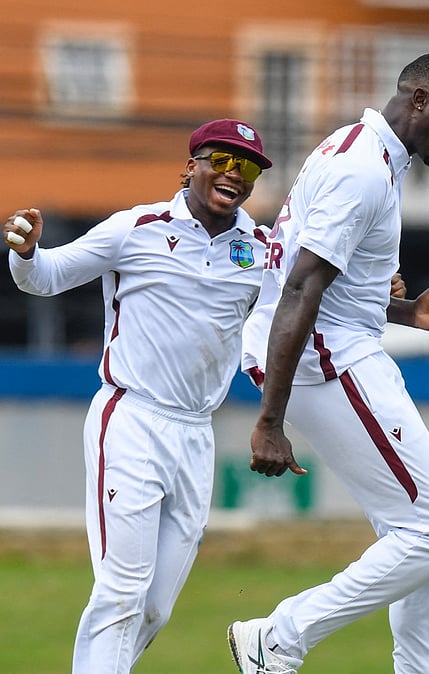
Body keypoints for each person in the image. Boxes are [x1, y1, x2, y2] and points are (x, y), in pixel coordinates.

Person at [227, 53, 429, 674]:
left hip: (336, 348)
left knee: (426, 532)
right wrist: (270, 421)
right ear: (419, 100)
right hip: (325, 360)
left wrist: (406, 311)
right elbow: (300, 289)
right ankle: (279, 636)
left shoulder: (366, 153)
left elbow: (335, 285)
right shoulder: (362, 170)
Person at [4, 119, 273, 673]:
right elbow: (47, 276)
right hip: (131, 418)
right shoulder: (138, 227)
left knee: (153, 609)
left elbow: (312, 297)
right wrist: (27, 251)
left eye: (244, 166)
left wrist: (396, 303)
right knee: (121, 592)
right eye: (219, 160)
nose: (232, 174)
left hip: (197, 434)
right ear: (191, 163)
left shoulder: (262, 248)